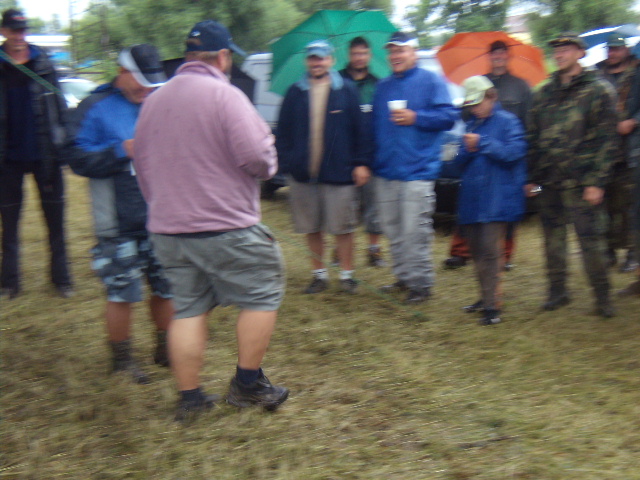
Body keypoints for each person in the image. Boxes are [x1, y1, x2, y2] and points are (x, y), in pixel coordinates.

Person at [133, 20, 289, 422]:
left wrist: (163, 207)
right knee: (263, 291)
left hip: (168, 227)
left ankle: (190, 399)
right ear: (222, 57)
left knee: (187, 308)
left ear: (188, 57)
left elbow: (142, 165)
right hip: (224, 224)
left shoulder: (154, 101)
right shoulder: (226, 95)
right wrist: (268, 153)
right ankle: (247, 384)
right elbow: (258, 158)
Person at [66, 44, 173, 384]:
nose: (146, 89)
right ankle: (123, 362)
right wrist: (119, 151)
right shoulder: (95, 107)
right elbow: (75, 158)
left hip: (161, 218)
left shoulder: (159, 102)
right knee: (122, 293)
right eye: (140, 81)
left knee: (167, 287)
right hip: (116, 222)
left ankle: (166, 348)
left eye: (152, 83)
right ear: (122, 72)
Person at [526, 33, 618, 318]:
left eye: (566, 49)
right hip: (549, 182)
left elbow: (608, 140)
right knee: (552, 241)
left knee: (591, 242)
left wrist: (596, 182)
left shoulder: (598, 90)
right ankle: (558, 291)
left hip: (582, 182)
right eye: (556, 49)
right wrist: (532, 177)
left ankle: (602, 297)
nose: (560, 54)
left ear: (580, 53)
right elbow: (532, 138)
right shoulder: (543, 93)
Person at [276, 39, 371, 294]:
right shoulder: (295, 92)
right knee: (311, 227)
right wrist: (287, 162)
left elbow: (361, 131)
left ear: (331, 60)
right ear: (307, 61)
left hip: (340, 172)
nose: (317, 62)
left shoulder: (346, 90)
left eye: (321, 58)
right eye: (312, 58)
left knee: (343, 227)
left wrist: (361, 163)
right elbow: (282, 132)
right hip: (303, 174)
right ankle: (319, 275)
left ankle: (347, 276)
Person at [373, 31, 458, 304]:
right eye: (392, 51)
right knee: (394, 230)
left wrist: (416, 117)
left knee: (415, 231)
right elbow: (374, 127)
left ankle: (421, 284)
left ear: (414, 53)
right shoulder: (383, 87)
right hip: (386, 171)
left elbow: (449, 116)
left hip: (417, 170)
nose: (395, 56)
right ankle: (402, 278)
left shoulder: (431, 81)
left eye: (401, 50)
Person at [0, 8, 73, 299]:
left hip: (46, 155)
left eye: (23, 30)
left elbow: (60, 107)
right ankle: (9, 284)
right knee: (9, 227)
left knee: (56, 224)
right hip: (7, 159)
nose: (19, 36)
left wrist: (64, 144)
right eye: (14, 30)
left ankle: (62, 280)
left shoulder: (43, 62)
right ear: (4, 31)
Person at [444, 40, 532, 271]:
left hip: (507, 154)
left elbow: (529, 126)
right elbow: (464, 116)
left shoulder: (521, 86)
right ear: (489, 57)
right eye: (494, 53)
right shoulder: (478, 82)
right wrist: (472, 108)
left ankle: (505, 256)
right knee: (470, 205)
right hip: (478, 156)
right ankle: (461, 252)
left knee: (505, 210)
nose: (498, 57)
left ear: (508, 56)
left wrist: (529, 172)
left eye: (502, 53)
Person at [453, 76, 526, 325]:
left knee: (491, 251)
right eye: (471, 105)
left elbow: (515, 152)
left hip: (497, 198)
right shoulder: (471, 124)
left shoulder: (508, 122)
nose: (474, 109)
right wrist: (465, 150)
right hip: (473, 198)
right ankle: (485, 297)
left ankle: (492, 307)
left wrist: (483, 143)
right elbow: (458, 163)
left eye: (478, 103)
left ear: (491, 96)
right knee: (476, 251)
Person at [338, 36, 385, 267]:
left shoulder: (378, 84)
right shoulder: (336, 80)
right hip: (343, 154)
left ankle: (373, 250)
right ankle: (340, 251)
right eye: (355, 53)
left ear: (369, 55)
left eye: (363, 53)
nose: (359, 58)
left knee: (374, 203)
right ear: (349, 55)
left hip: (371, 154)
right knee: (343, 206)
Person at [596, 34, 640, 273]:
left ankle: (634, 254)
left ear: (626, 50)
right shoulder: (597, 75)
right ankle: (608, 252)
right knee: (604, 206)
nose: (612, 53)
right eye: (609, 49)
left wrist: (633, 121)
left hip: (632, 152)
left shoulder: (636, 74)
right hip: (604, 153)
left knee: (632, 206)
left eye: (617, 48)